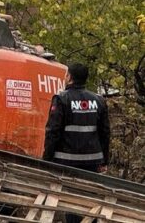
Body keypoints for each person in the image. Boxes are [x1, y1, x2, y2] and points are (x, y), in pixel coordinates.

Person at [43, 63, 111, 223]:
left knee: (71, 201)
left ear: (70, 78)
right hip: (92, 162)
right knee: (90, 200)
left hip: (66, 162)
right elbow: (105, 133)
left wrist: (47, 160)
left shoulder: (61, 99)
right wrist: (105, 160)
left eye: (66, 75)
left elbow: (53, 132)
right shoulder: (99, 100)